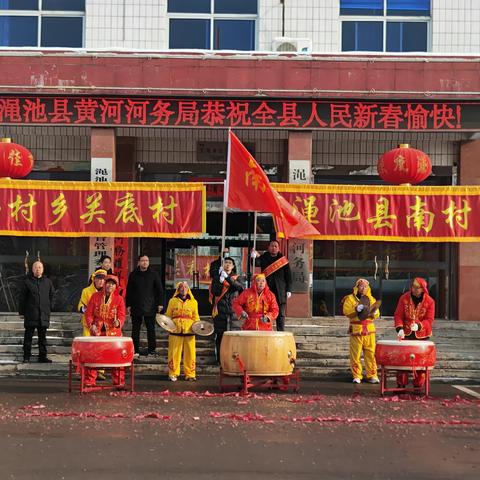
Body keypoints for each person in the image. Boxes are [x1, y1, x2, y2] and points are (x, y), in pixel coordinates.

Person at [84, 275, 126, 387]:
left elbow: (122, 315)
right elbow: (88, 313)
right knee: (93, 357)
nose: (110, 285)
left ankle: (118, 382)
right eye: (108, 283)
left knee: (116, 358)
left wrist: (119, 322)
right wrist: (91, 324)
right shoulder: (95, 296)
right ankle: (90, 381)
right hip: (97, 331)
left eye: (112, 284)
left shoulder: (119, 299)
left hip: (113, 333)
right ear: (104, 284)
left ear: (115, 286)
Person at [394, 277, 435, 389]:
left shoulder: (430, 301)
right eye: (413, 287)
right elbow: (398, 315)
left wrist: (419, 326)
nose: (414, 289)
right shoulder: (404, 298)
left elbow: (429, 320)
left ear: (423, 289)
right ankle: (401, 385)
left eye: (417, 287)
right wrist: (400, 329)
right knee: (403, 361)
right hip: (406, 334)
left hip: (422, 336)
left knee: (420, 363)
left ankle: (418, 386)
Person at [342, 278, 380, 384]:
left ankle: (372, 375)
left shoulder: (371, 299)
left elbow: (377, 314)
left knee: (371, 354)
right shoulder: (349, 299)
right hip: (356, 330)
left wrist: (375, 311)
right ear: (357, 287)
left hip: (369, 331)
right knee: (356, 355)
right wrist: (355, 310)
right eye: (361, 286)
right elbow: (346, 311)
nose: (363, 288)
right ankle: (357, 375)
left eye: (365, 286)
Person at [125, 254, 164, 358]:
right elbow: (129, 291)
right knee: (135, 329)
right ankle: (135, 350)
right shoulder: (133, 274)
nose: (145, 262)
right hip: (136, 305)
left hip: (150, 305)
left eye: (147, 260)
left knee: (151, 329)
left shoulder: (154, 274)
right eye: (143, 260)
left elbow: (159, 290)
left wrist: (160, 303)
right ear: (139, 262)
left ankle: (152, 350)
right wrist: (128, 305)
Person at [251, 240, 292, 331]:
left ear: (278, 248)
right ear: (268, 247)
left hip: (280, 291)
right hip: (266, 290)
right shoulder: (264, 257)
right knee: (265, 311)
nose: (274, 248)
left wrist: (289, 289)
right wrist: (253, 257)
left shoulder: (283, 260)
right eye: (272, 246)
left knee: (280, 313)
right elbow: (256, 263)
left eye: (276, 246)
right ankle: (265, 330)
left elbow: (288, 276)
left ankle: (280, 332)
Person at [18, 261, 55, 363]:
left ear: (43, 269)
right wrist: (22, 312)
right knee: (28, 337)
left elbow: (52, 295)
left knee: (42, 338)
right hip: (30, 313)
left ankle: (42, 357)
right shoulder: (27, 282)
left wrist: (49, 307)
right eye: (35, 267)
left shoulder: (48, 282)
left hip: (43, 314)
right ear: (32, 269)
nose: (38, 269)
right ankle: (26, 357)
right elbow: (22, 298)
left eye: (40, 267)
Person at [209, 255, 244, 363]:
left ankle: (232, 359)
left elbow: (238, 287)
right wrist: (219, 281)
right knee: (220, 336)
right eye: (226, 262)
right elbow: (215, 292)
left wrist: (227, 278)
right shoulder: (217, 277)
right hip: (220, 311)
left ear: (233, 266)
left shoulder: (237, 278)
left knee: (233, 337)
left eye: (229, 263)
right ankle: (220, 359)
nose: (227, 264)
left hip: (233, 312)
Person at [165, 281, 200, 382]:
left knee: (190, 353)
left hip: (190, 331)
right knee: (174, 353)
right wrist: (168, 326)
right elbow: (168, 316)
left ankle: (190, 374)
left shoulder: (194, 302)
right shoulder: (172, 301)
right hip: (175, 331)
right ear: (178, 289)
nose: (183, 288)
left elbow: (196, 317)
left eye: (185, 287)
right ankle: (173, 373)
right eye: (181, 287)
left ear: (188, 289)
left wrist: (197, 327)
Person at [77, 269, 107, 336]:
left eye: (103, 279)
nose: (101, 281)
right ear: (94, 279)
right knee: (88, 344)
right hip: (88, 324)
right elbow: (81, 305)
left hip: (102, 324)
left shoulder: (107, 292)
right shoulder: (86, 291)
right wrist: (89, 311)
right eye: (99, 279)